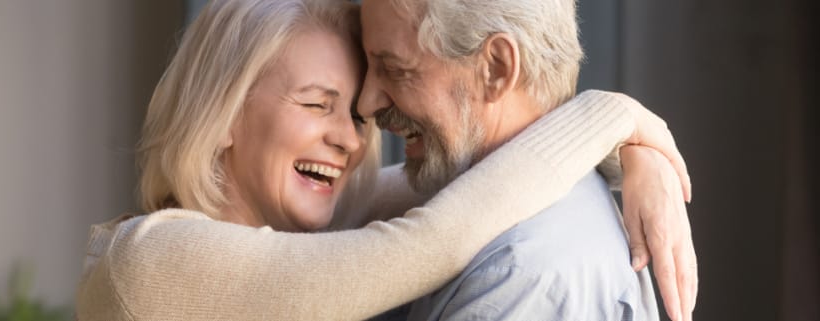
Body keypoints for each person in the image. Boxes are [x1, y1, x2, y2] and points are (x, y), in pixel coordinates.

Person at [75, 0, 691, 320]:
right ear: (227, 112)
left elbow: (479, 184)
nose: (353, 134)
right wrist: (617, 118)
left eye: (356, 112)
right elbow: (433, 238)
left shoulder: (327, 220)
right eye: (317, 104)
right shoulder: (150, 262)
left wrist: (635, 155)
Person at [357, 1, 696, 320]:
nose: (365, 104)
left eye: (394, 70)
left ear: (496, 69)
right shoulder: (479, 207)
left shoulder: (515, 278)